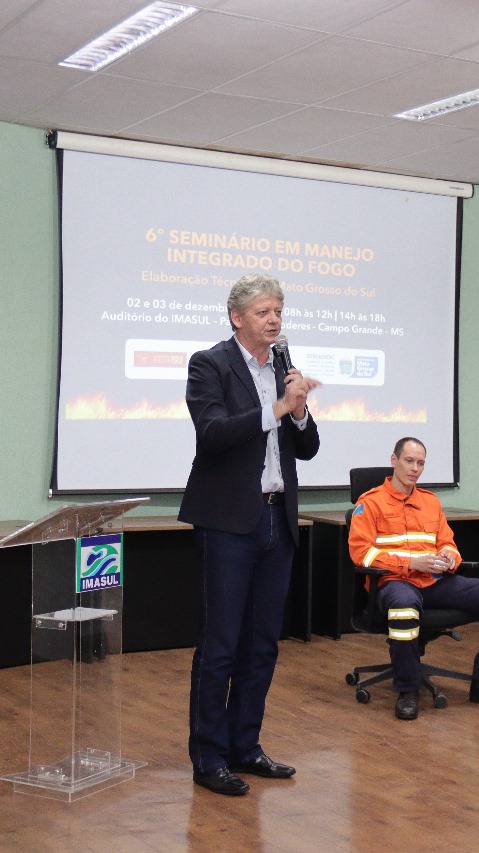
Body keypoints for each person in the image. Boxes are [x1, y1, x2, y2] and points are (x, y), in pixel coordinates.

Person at [179, 273, 321, 797]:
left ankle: (245, 746)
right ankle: (208, 758)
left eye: (278, 311)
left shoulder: (283, 368)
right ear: (237, 317)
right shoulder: (209, 364)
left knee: (262, 645)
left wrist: (298, 411)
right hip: (228, 525)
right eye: (264, 312)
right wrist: (277, 408)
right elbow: (213, 433)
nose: (274, 320)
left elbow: (307, 449)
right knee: (220, 646)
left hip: (277, 521)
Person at [347, 437, 479, 720]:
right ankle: (408, 690)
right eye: (409, 461)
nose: (415, 468)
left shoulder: (430, 501)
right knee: (404, 606)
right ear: (394, 461)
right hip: (395, 582)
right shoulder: (370, 503)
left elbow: (448, 543)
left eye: (420, 463)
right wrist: (409, 563)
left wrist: (450, 557)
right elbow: (361, 554)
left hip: (434, 581)